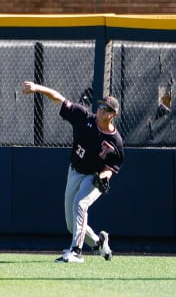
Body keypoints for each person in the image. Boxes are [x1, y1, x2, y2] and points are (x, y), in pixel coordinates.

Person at [22, 81, 125, 263]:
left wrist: (103, 177)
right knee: (72, 224)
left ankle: (76, 251)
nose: (102, 110)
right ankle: (99, 243)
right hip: (75, 171)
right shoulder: (83, 116)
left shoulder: (116, 141)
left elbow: (112, 167)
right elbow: (59, 99)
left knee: (80, 204)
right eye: (101, 106)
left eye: (107, 109)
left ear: (114, 114)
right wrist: (38, 88)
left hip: (93, 178)